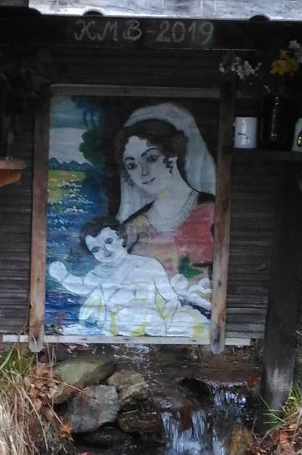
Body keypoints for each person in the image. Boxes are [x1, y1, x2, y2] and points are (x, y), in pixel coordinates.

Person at [115, 106, 216, 318]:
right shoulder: (134, 227)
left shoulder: (211, 211)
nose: (143, 172)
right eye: (132, 165)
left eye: (151, 158)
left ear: (172, 154)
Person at [49, 216, 183, 339]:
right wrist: (63, 276)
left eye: (108, 241)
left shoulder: (148, 265)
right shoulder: (99, 273)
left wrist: (165, 327)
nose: (105, 250)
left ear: (120, 238)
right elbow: (82, 286)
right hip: (113, 331)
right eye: (96, 249)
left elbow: (171, 299)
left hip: (150, 328)